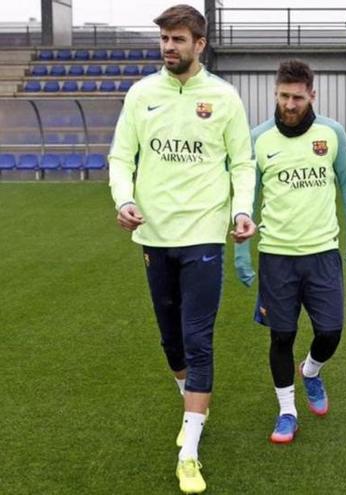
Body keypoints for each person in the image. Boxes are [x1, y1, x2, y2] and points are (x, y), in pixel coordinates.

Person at [108, 4, 256, 493]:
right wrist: (125, 198)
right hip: (153, 235)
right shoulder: (141, 94)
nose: (169, 47)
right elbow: (120, 156)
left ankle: (189, 451)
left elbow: (242, 163)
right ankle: (191, 401)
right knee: (171, 340)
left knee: (198, 338)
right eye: (164, 40)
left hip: (203, 237)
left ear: (199, 44)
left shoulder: (223, 97)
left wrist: (241, 210)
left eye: (178, 39)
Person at [234, 60, 346, 445]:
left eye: (297, 97)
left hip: (322, 253)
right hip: (276, 256)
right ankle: (286, 410)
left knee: (330, 331)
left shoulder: (332, 133)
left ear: (312, 95)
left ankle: (310, 371)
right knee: (281, 336)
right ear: (275, 93)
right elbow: (247, 198)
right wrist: (243, 254)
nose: (290, 105)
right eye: (283, 96)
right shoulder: (259, 138)